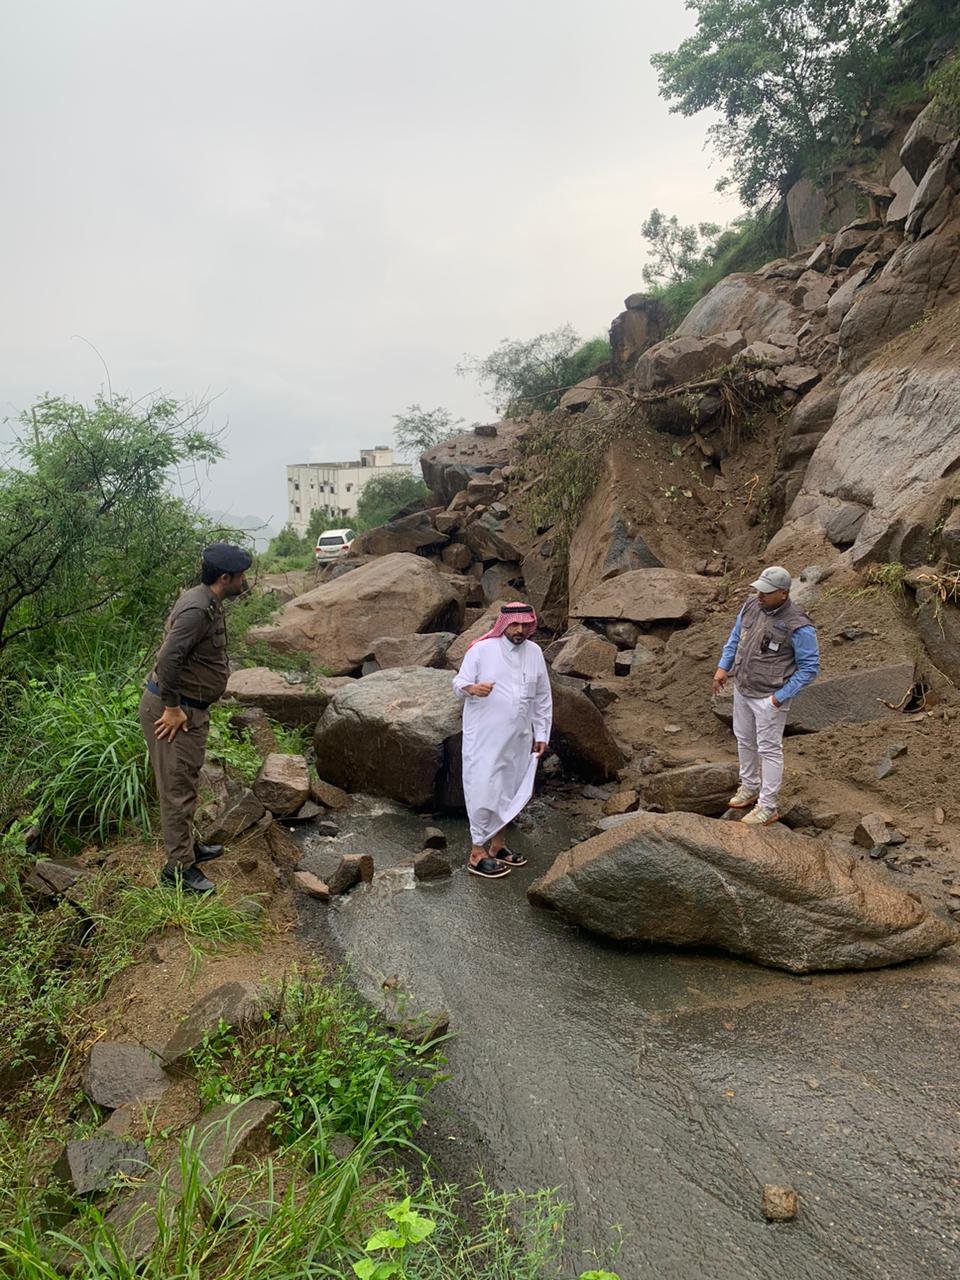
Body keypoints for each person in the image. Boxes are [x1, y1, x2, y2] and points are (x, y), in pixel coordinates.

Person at [139, 541, 252, 893]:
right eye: (240, 575)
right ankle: (179, 870)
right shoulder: (195, 608)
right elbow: (167, 660)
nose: (244, 580)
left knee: (186, 783)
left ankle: (187, 848)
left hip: (189, 709)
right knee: (176, 791)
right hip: (174, 711)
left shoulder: (208, 601)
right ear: (224, 577)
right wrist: (172, 707)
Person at [712, 565, 820, 827]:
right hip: (744, 687)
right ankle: (749, 786)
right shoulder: (751, 605)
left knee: (769, 749)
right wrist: (723, 667)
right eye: (759, 590)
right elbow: (736, 637)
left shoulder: (798, 625)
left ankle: (768, 805)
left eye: (766, 592)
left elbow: (810, 668)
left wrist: (778, 698)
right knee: (744, 739)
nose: (760, 595)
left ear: (783, 593)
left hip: (769, 696)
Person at [453, 602, 553, 879]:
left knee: (508, 789)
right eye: (514, 624)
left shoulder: (535, 653)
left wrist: (542, 733)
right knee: (484, 788)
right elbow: (458, 684)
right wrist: (472, 688)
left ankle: (498, 846)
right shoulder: (481, 650)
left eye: (524, 625)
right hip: (484, 737)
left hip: (520, 737)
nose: (519, 630)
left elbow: (542, 697)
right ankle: (476, 852)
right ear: (503, 624)